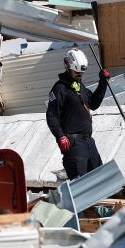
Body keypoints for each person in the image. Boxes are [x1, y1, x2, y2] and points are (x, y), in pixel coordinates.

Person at [45, 48, 110, 179]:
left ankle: (98, 199)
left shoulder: (80, 86)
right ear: (68, 67)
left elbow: (93, 103)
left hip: (88, 141)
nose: (80, 75)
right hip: (73, 143)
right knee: (81, 182)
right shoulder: (60, 88)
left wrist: (103, 83)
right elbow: (51, 115)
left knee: (99, 178)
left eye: (82, 73)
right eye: (77, 72)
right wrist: (60, 136)